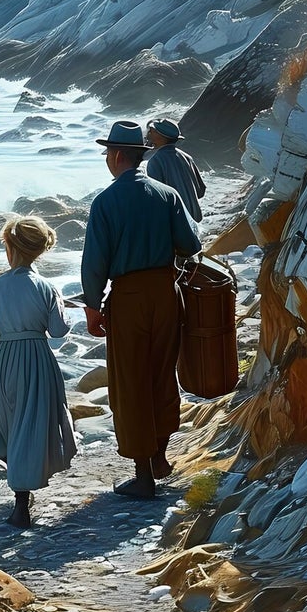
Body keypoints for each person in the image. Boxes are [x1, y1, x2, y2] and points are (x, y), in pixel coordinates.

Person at [80, 121, 202, 499]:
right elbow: (190, 243)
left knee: (131, 383)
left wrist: (92, 306)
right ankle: (161, 456)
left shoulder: (105, 202)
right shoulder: (166, 195)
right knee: (162, 374)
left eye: (106, 154)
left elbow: (94, 262)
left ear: (117, 156)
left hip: (129, 298)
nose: (106, 159)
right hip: (166, 293)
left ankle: (143, 475)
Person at [0, 215, 78, 528]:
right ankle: (21, 503)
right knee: (31, 429)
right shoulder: (47, 287)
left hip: (3, 362)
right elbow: (57, 331)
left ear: (10, 248)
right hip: (38, 360)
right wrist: (65, 310)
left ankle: (20, 499)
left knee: (10, 428)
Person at [144, 118, 205, 223]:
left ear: (160, 136)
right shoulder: (187, 157)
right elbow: (200, 191)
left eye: (152, 130)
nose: (148, 132)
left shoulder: (155, 161)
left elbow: (156, 200)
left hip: (176, 222)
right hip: (195, 219)